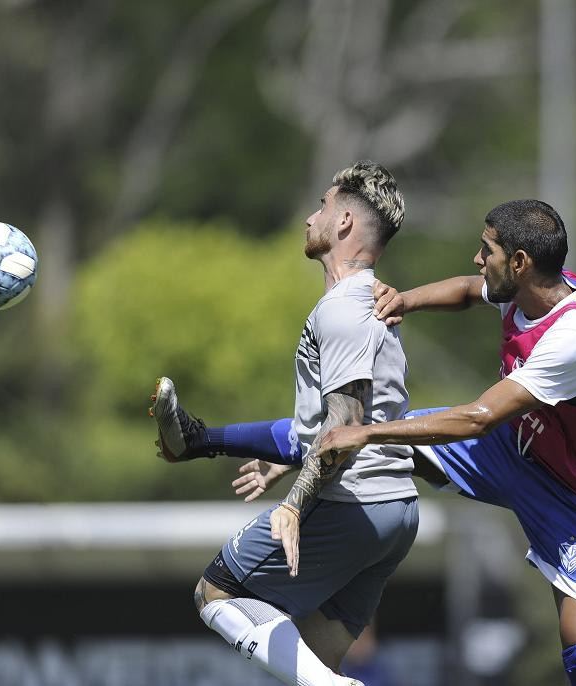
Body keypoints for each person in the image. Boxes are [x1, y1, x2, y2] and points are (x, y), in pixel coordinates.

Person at [185, 199, 576, 685]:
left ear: (521, 261)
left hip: (571, 494)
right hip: (513, 448)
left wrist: (368, 432)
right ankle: (204, 439)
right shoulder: (529, 288)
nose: (476, 259)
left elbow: (477, 418)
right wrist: (405, 300)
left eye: (487, 250)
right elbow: (466, 291)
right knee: (363, 431)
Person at [150, 160, 418, 686]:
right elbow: (327, 425)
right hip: (396, 513)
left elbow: (346, 424)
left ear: (343, 221)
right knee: (312, 664)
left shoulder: (343, 309)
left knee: (216, 593)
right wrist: (228, 447)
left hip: (352, 503)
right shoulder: (373, 300)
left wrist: (295, 503)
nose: (309, 217)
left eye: (320, 205)